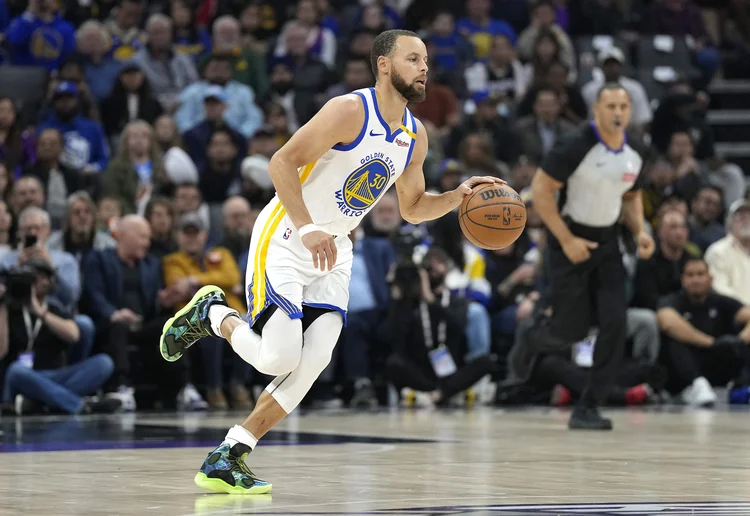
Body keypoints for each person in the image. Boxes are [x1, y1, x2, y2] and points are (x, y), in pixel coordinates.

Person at [158, 29, 502, 494]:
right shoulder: (349, 111)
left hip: (334, 248)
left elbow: (413, 207)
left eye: (426, 60)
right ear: (384, 65)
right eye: (413, 59)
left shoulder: (414, 136)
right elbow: (281, 162)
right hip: (286, 234)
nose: (424, 68)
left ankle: (230, 453)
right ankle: (213, 313)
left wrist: (456, 199)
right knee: (278, 356)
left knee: (315, 358)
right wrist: (307, 228)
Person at [519, 83, 655, 431]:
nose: (618, 113)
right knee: (572, 329)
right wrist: (565, 240)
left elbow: (630, 195)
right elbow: (541, 191)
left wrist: (640, 232)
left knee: (615, 324)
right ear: (596, 109)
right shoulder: (575, 144)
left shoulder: (637, 149)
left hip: (607, 241)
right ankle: (533, 338)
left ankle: (588, 406)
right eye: (610, 106)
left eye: (624, 106)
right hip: (568, 239)